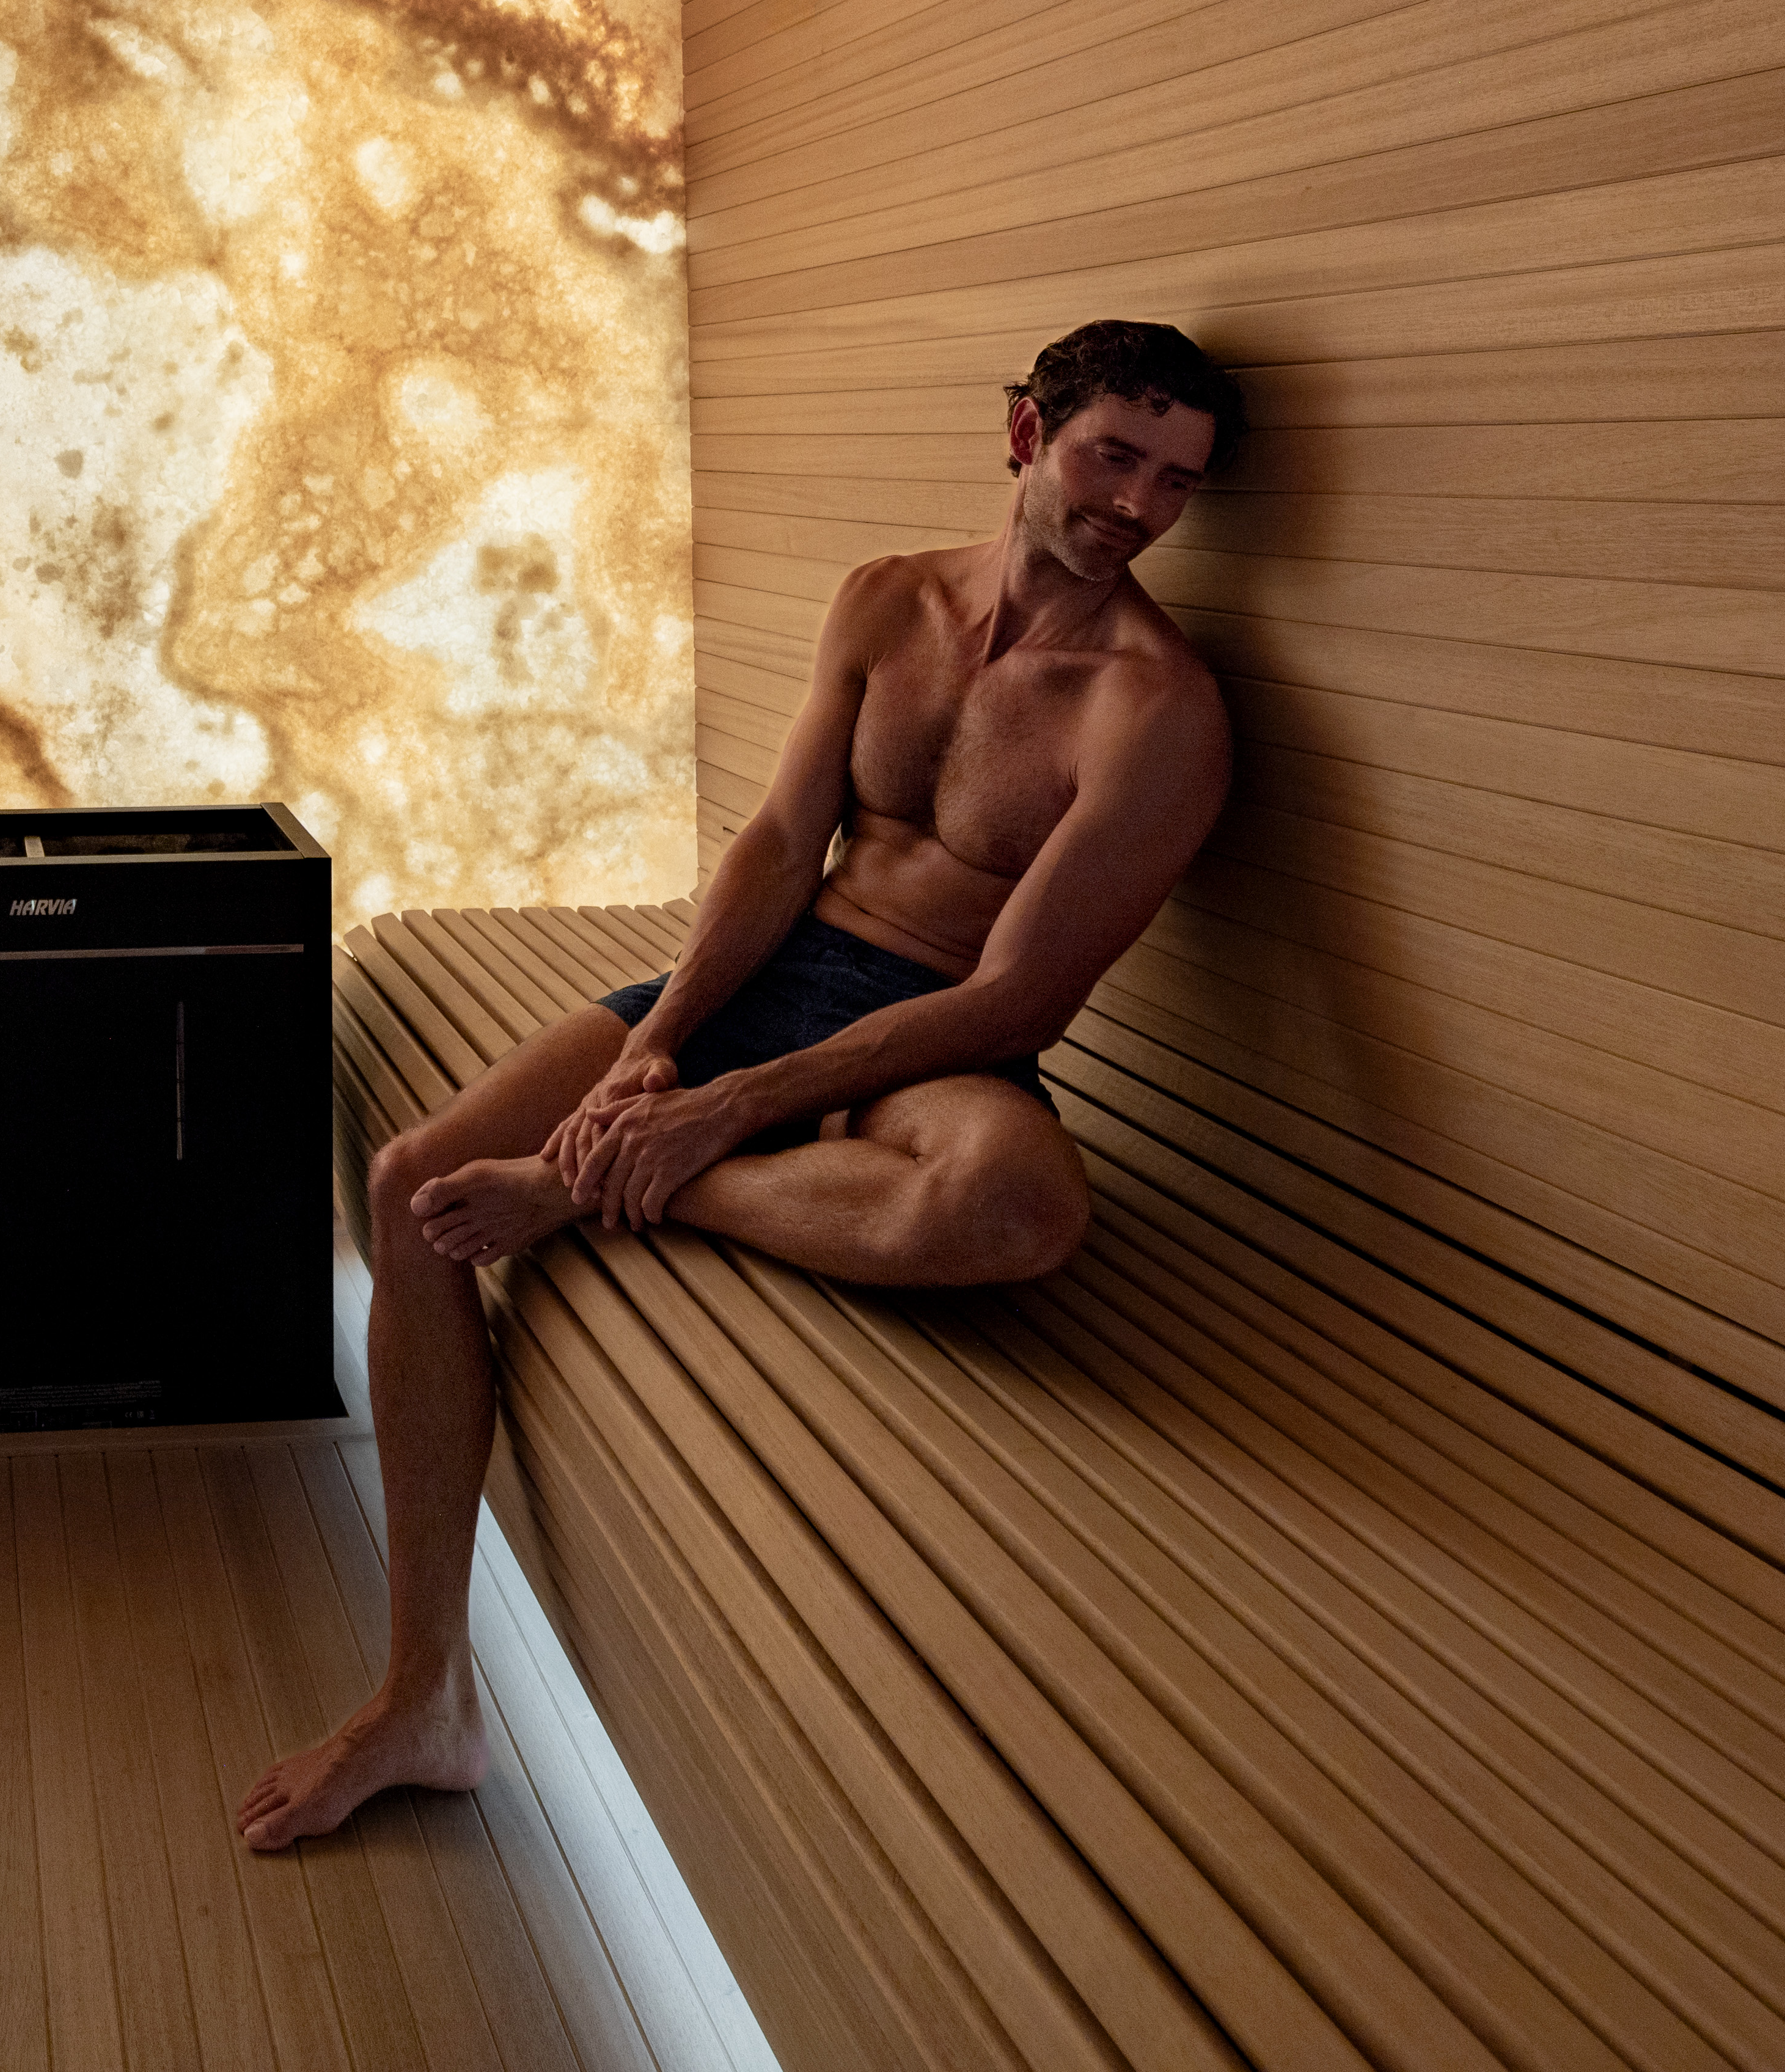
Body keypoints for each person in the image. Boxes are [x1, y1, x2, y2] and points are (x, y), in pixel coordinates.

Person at [237, 319, 1237, 1847]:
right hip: (772, 968)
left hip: (929, 1033)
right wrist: (663, 1040)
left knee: (1016, 1202)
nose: (1140, 505)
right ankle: (425, 1687)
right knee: (409, 1183)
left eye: (1177, 483)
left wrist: (714, 1112)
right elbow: (779, 845)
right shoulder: (884, 601)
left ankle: (601, 1191)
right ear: (1028, 431)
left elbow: (1017, 993)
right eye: (1117, 454)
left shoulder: (1157, 711)